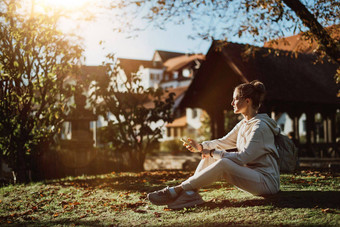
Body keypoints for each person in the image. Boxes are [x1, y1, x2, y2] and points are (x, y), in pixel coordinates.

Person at [147, 80, 281, 209]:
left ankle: (178, 189)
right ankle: (190, 194)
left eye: (235, 99)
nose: (232, 103)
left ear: (247, 101)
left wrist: (212, 152)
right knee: (211, 156)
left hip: (266, 182)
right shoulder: (243, 124)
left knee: (222, 162)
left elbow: (243, 157)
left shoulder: (260, 127)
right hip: (251, 177)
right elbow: (223, 142)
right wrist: (201, 147)